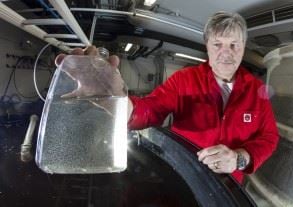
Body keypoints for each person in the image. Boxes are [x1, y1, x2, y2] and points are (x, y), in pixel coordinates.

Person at [55, 11, 279, 184]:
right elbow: (150, 110)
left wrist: (241, 158)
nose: (226, 53)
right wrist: (116, 99)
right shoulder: (184, 80)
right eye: (218, 44)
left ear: (243, 47)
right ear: (207, 47)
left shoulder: (257, 90)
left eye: (234, 45)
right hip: (185, 175)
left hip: (231, 185)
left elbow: (269, 137)